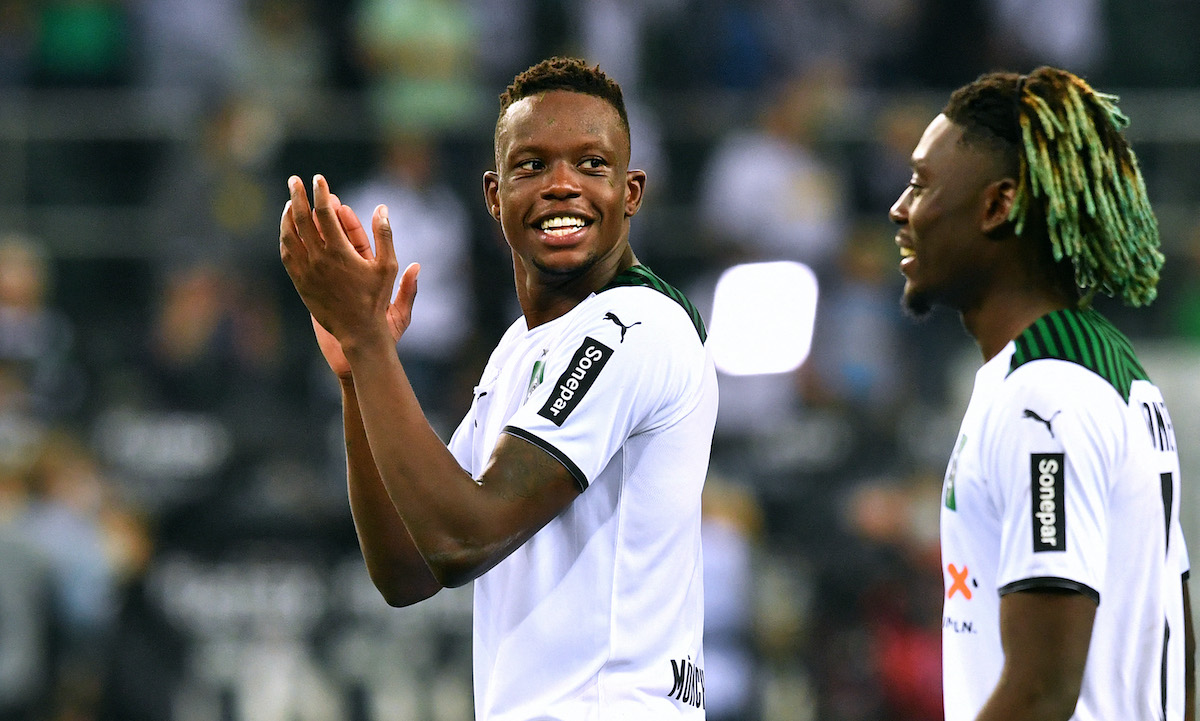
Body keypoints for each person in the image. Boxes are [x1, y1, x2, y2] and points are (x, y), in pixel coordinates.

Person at [279, 57, 718, 719]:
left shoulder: (633, 325)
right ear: (494, 195)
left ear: (631, 192)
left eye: (592, 164)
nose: (562, 185)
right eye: (532, 165)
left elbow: (462, 539)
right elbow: (407, 566)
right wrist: (357, 374)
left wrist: (370, 342)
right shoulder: (521, 347)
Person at [888, 65, 1194, 721]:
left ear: (997, 205)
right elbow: (1181, 657)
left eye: (921, 183)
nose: (900, 208)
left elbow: (1041, 692)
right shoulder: (1106, 364)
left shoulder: (1046, 396)